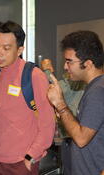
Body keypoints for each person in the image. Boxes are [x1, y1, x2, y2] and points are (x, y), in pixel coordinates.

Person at [0, 21, 55, 175]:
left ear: (19, 50)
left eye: (6, 48)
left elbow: (47, 124)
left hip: (21, 163)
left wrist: (31, 156)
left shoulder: (34, 76)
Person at [47, 30, 104, 175]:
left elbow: (81, 138)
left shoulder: (97, 92)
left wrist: (60, 104)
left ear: (88, 63)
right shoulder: (94, 88)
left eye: (69, 61)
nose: (65, 67)